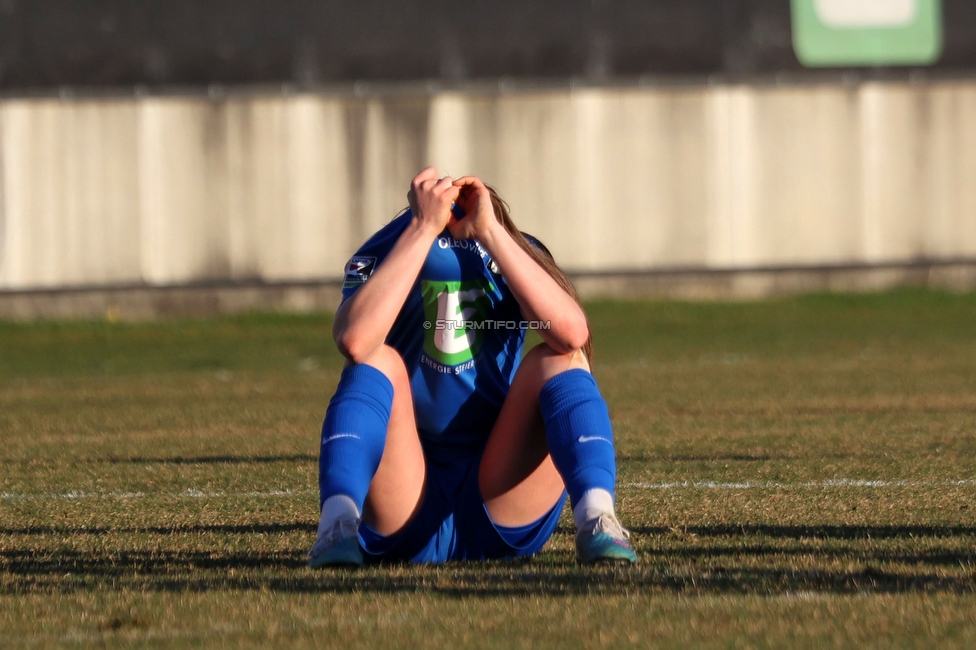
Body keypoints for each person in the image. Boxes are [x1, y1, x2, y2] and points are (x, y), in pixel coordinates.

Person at [307, 167, 638, 566]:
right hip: (406, 498)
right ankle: (337, 526)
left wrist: (493, 234)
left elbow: (571, 335)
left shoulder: (518, 249)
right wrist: (423, 228)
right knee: (377, 359)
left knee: (559, 360)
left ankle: (597, 518)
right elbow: (355, 341)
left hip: (501, 496)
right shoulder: (387, 248)